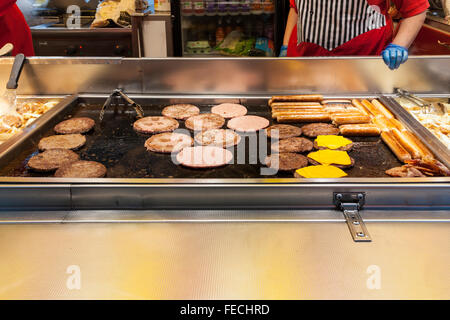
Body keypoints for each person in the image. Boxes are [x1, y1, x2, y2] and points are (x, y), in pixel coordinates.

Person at [280, 0, 429, 70]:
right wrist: (285, 46)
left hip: (364, 68)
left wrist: (399, 45)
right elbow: (296, 8)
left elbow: (416, 9)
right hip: (305, 63)